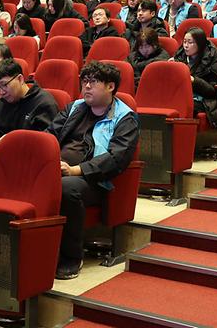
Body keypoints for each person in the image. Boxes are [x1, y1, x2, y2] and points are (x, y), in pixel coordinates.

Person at [48, 61, 139, 280]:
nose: (87, 86)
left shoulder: (125, 117)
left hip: (96, 180)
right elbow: (49, 134)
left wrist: (76, 170)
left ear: (110, 86)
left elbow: (116, 158)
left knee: (67, 188)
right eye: (85, 81)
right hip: (56, 168)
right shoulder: (74, 108)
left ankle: (71, 257)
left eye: (94, 82)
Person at [0, 59, 59, 150]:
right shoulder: (1, 102)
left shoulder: (44, 103)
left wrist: (12, 139)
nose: (2, 92)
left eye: (4, 85)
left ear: (20, 79)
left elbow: (45, 141)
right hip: (0, 152)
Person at [173, 27, 217, 128]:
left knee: (182, 105)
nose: (186, 46)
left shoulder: (212, 57)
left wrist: (194, 81)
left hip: (204, 100)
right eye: (184, 42)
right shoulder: (180, 55)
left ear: (200, 44)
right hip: (180, 95)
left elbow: (212, 91)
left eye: (190, 42)